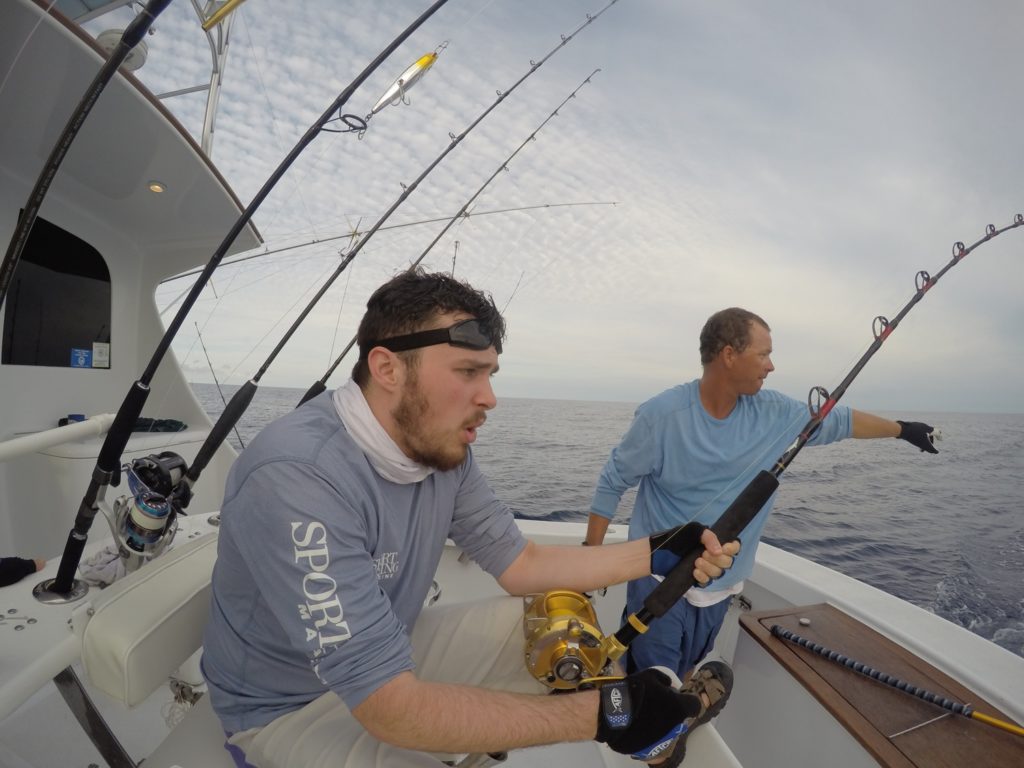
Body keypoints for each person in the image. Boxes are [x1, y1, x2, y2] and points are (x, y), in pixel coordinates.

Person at [201, 269, 741, 768]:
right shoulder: (298, 475)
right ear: (387, 368)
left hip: (391, 652)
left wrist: (656, 549)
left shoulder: (437, 449)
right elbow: (389, 707)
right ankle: (651, 721)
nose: (491, 397)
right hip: (284, 706)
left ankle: (657, 729)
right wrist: (600, 716)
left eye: (490, 373)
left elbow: (521, 562)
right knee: (569, 694)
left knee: (552, 628)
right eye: (468, 372)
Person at [586, 307, 939, 704]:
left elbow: (842, 421)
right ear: (729, 355)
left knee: (686, 671)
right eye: (763, 354)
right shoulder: (661, 416)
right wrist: (590, 562)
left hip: (722, 585)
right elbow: (612, 481)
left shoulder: (776, 413)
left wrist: (903, 430)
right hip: (658, 580)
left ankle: (677, 718)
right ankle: (660, 736)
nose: (771, 366)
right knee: (652, 684)